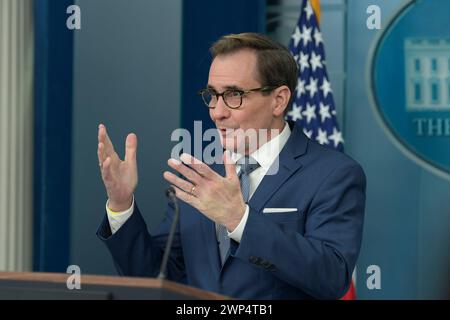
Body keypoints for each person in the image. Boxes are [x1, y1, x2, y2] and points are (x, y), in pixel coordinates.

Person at [96, 33, 366, 300]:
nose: (217, 111)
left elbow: (332, 276)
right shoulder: (200, 175)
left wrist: (240, 220)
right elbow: (156, 276)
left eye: (234, 95)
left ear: (279, 100)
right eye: (212, 95)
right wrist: (121, 205)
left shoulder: (333, 174)